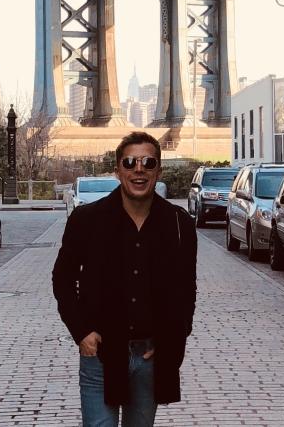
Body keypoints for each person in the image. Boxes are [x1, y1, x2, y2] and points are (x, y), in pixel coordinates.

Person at [52, 131, 198, 427]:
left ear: (159, 170)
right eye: (130, 162)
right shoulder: (86, 220)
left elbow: (186, 288)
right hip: (101, 355)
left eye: (148, 162)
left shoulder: (178, 223)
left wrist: (175, 336)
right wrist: (80, 332)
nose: (138, 169)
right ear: (118, 170)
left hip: (150, 357)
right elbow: (62, 279)